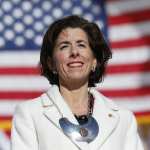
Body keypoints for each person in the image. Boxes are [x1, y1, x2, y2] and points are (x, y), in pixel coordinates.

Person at [11, 15, 144, 150]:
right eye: (64, 46)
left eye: (81, 45)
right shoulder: (29, 113)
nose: (74, 52)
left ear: (94, 61)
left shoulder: (124, 119)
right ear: (51, 63)